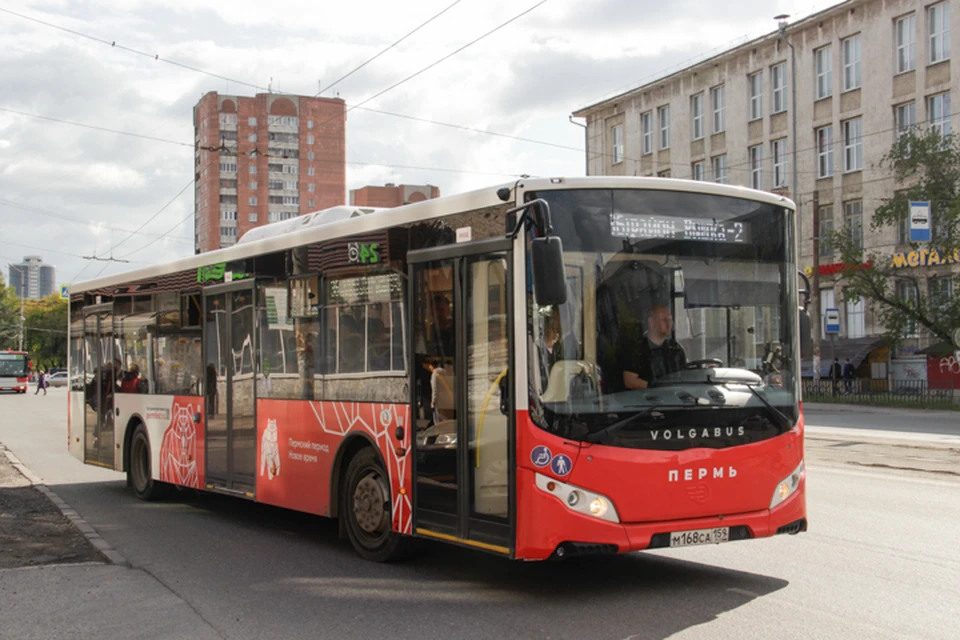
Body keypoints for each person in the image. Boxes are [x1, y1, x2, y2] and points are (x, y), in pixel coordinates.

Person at [621, 304, 687, 390]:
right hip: (646, 400)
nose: (668, 324)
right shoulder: (637, 349)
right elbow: (630, 381)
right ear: (651, 322)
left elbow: (684, 375)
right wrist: (656, 388)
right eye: (664, 320)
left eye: (670, 320)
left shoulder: (675, 348)